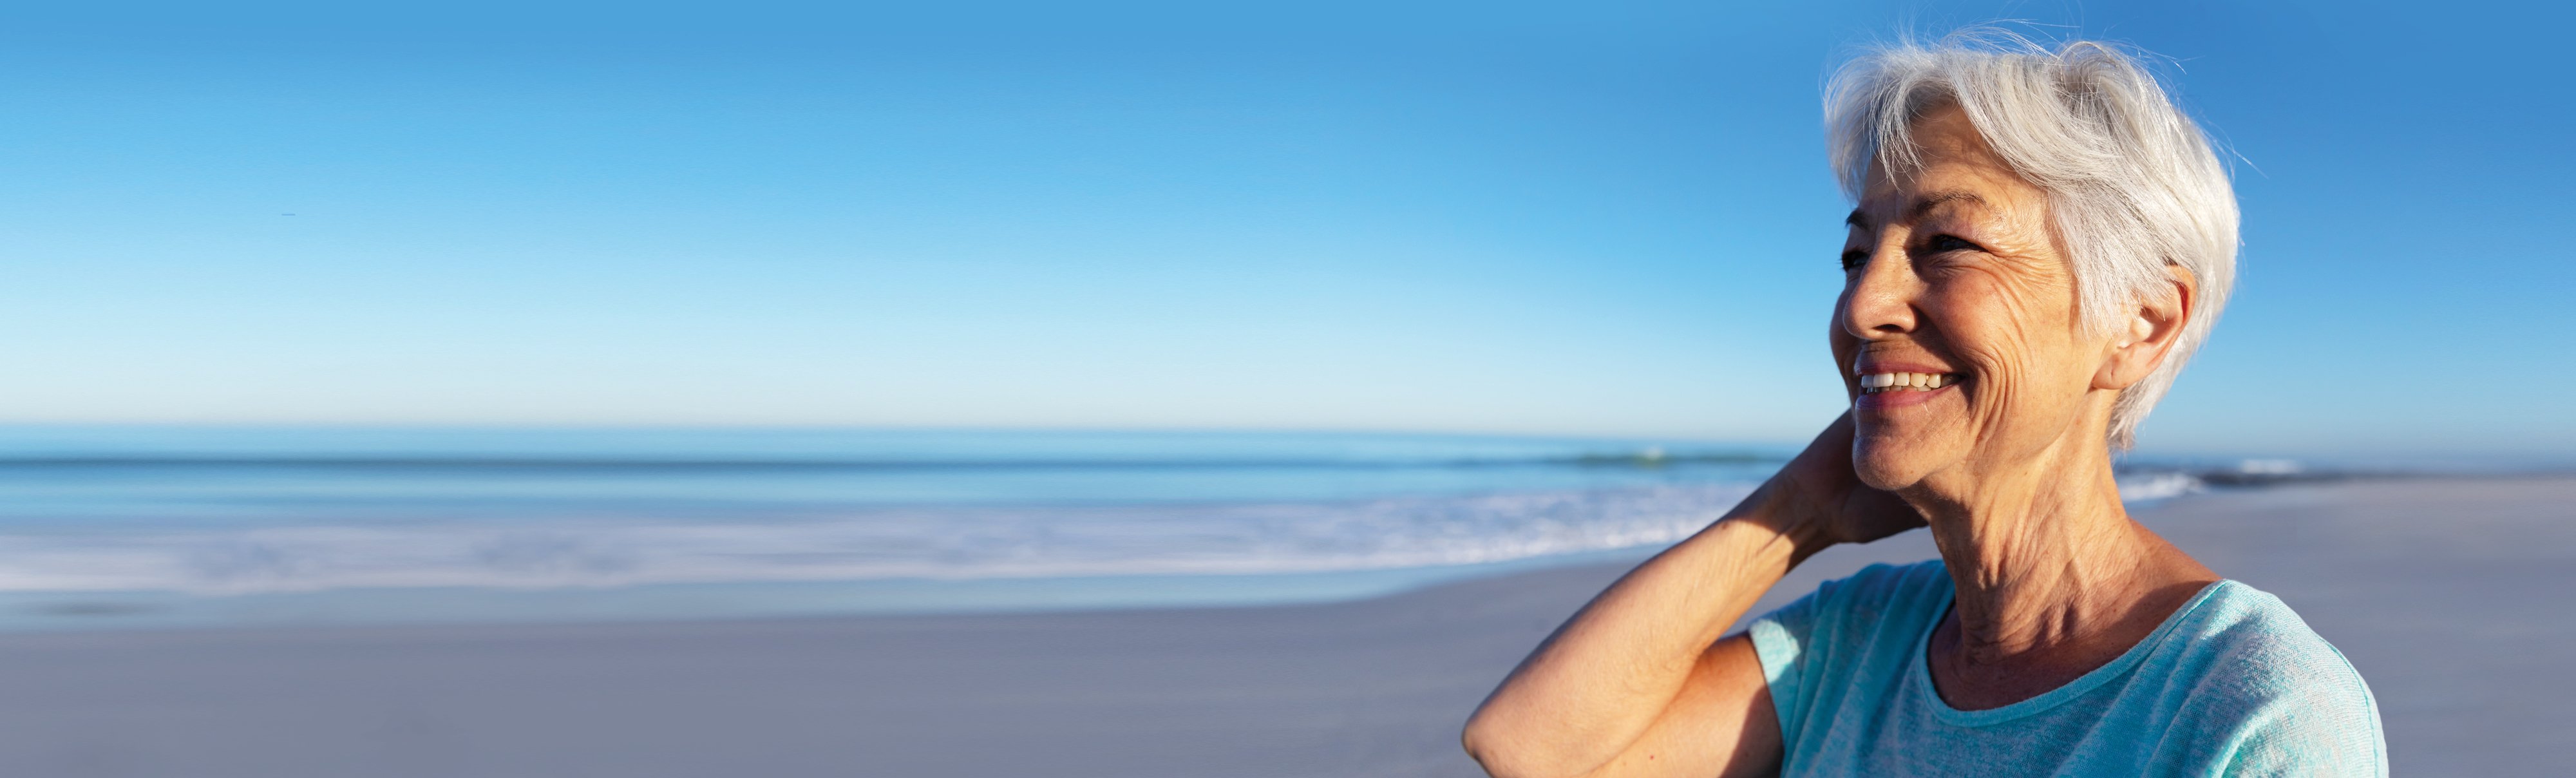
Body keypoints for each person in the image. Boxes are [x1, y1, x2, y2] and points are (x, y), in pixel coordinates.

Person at [1460, 32, 2385, 777]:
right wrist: (1798, 513)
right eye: (1856, 255)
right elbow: (1534, 748)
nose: (1863, 307)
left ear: (2138, 322)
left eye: (1947, 243)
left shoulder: (2253, 707)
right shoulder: (1863, 640)